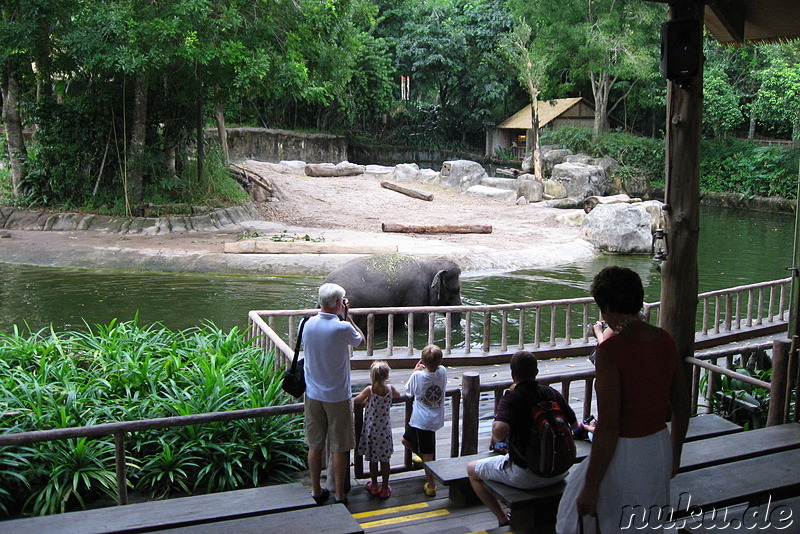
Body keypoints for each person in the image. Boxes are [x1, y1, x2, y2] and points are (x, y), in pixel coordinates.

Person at [556, 266, 691, 533]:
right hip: (659, 446)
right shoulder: (664, 339)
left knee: (582, 515)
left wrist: (591, 487)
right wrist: (675, 453)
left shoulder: (610, 351)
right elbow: (682, 405)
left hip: (626, 453)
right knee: (647, 522)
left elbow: (609, 426)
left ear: (606, 307)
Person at [467, 350, 578, 527]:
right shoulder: (551, 393)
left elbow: (498, 433)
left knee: (472, 470)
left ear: (513, 374)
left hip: (527, 475)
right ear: (536, 372)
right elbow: (574, 425)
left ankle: (503, 519)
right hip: (560, 470)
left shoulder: (512, 398)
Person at [302, 282, 365, 506]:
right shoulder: (343, 327)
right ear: (338, 303)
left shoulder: (307, 324)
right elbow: (361, 342)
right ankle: (339, 494)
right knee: (340, 447)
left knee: (315, 444)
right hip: (337, 397)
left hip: (312, 395)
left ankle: (316, 490)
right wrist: (347, 317)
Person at [402, 344, 447, 497]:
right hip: (430, 418)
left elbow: (408, 391)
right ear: (440, 362)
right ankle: (425, 460)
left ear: (422, 360)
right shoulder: (443, 372)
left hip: (422, 421)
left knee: (428, 454)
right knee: (405, 441)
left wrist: (415, 371)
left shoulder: (418, 376)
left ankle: (432, 484)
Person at [354, 360, 402, 499]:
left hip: (371, 430)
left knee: (373, 460)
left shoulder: (370, 390)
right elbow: (398, 395)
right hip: (385, 430)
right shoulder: (390, 389)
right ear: (386, 376)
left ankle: (374, 485)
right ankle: (385, 487)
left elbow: (357, 400)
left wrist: (365, 402)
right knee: (385, 460)